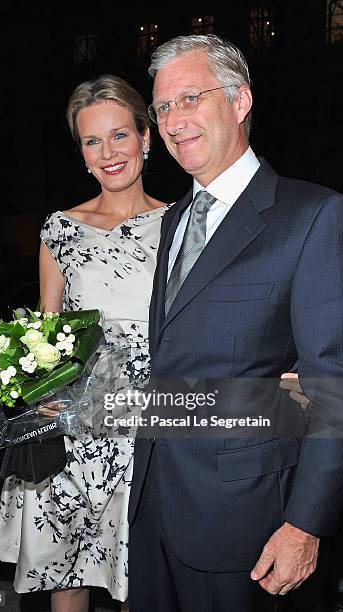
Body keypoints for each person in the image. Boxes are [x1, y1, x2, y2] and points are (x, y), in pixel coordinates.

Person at [128, 34, 343, 612]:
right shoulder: (175, 220)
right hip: (153, 505)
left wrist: (305, 524)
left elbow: (332, 386)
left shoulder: (312, 215)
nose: (173, 121)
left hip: (247, 522)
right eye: (163, 107)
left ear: (240, 101)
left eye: (190, 98)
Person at [0, 74, 168, 612]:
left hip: (150, 423)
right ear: (81, 153)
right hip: (75, 423)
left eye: (120, 136)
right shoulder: (60, 230)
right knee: (70, 566)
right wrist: (36, 385)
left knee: (140, 570)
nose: (108, 153)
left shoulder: (182, 224)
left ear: (146, 137)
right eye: (93, 141)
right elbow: (46, 331)